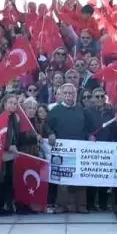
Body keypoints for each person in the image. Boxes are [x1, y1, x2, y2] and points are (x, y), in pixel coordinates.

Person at [45, 83, 94, 213]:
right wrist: (50, 133)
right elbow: (47, 125)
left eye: (70, 93)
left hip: (79, 148)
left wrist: (90, 135)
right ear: (60, 94)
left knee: (80, 176)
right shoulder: (55, 110)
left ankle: (81, 205)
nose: (68, 95)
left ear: (75, 94)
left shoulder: (80, 109)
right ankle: (62, 205)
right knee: (62, 177)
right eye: (65, 93)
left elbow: (87, 128)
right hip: (62, 150)